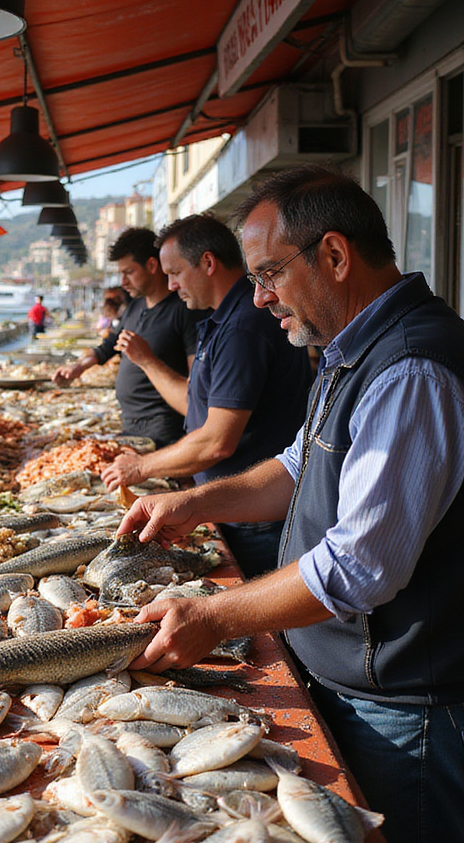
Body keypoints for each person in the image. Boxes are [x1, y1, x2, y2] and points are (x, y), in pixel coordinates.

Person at [118, 165, 464, 843]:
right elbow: (301, 465)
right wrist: (195, 503)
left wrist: (213, 615)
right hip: (369, 683)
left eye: (270, 272)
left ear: (333, 255)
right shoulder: (352, 349)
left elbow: (361, 567)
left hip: (415, 703)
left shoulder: (412, 368)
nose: (260, 296)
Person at [100, 214, 311, 577]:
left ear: (208, 263)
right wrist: (148, 362)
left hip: (255, 518)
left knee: (264, 625)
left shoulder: (243, 326)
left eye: (175, 273)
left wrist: (139, 468)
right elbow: (195, 406)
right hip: (231, 506)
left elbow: (217, 442)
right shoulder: (222, 320)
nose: (170, 285)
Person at [52, 227, 204, 448]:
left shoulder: (185, 310)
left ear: (152, 265)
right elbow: (108, 346)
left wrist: (146, 359)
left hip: (167, 434)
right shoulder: (134, 307)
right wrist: (78, 367)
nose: (122, 281)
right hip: (130, 427)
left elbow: (197, 391)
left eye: (129, 272)